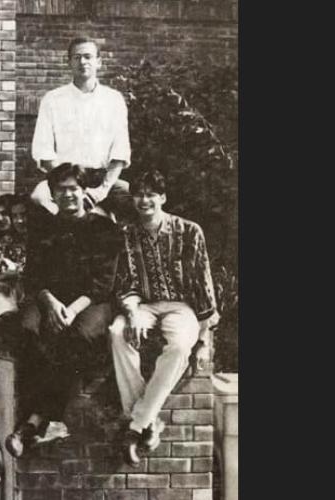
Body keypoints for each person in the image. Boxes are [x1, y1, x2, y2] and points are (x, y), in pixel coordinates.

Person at [5, 164, 122, 458]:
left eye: (74, 188)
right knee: (28, 330)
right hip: (50, 299)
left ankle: (37, 420)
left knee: (78, 336)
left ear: (84, 192)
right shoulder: (44, 228)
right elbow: (33, 277)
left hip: (91, 302)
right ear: (53, 195)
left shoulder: (103, 228)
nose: (68, 195)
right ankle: (40, 419)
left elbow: (104, 283)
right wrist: (51, 303)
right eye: (61, 190)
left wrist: (70, 309)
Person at [108, 169, 219, 465]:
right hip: (142, 305)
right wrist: (131, 312)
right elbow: (124, 283)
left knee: (182, 345)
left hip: (181, 306)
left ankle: (135, 425)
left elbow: (202, 283)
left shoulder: (189, 231)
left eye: (150, 195)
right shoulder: (127, 234)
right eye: (139, 194)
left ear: (163, 198)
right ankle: (147, 421)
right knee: (118, 334)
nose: (144, 200)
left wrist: (204, 337)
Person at [30, 37, 132, 218]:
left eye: (88, 57)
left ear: (98, 62)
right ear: (68, 62)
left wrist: (101, 191)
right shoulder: (52, 99)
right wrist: (67, 186)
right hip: (63, 177)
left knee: (135, 198)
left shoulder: (113, 99)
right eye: (76, 57)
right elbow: (44, 151)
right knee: (38, 197)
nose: (82, 62)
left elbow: (120, 152)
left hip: (100, 179)